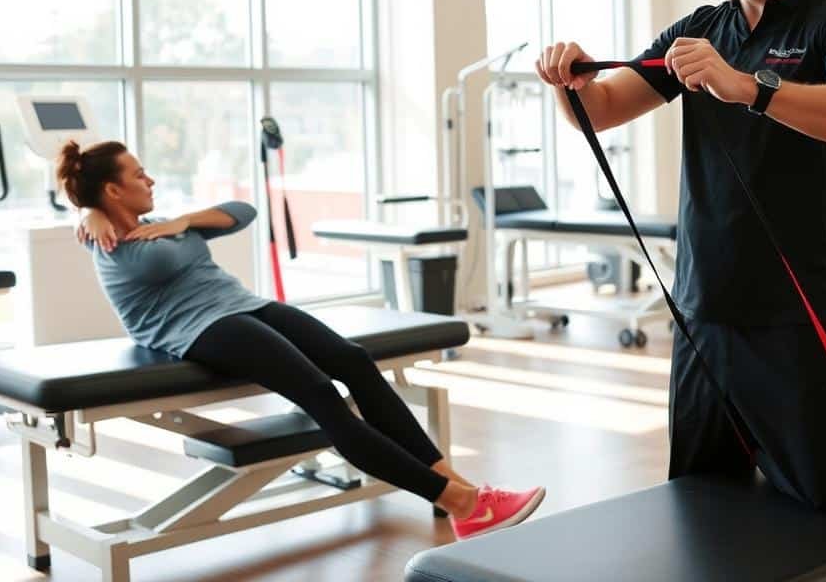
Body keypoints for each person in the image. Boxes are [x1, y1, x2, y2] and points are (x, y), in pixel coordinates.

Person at [535, 0, 826, 511]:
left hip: (796, 314)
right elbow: (603, 108)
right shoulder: (700, 30)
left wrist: (747, 87)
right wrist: (570, 81)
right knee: (705, 503)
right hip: (703, 313)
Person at [56, 139, 544, 539]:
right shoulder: (111, 243)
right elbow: (169, 258)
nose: (151, 181)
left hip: (241, 305)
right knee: (320, 394)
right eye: (139, 175)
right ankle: (460, 502)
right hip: (197, 328)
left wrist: (184, 221)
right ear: (112, 191)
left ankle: (463, 492)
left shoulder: (160, 227)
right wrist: (90, 215)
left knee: (353, 360)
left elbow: (243, 211)